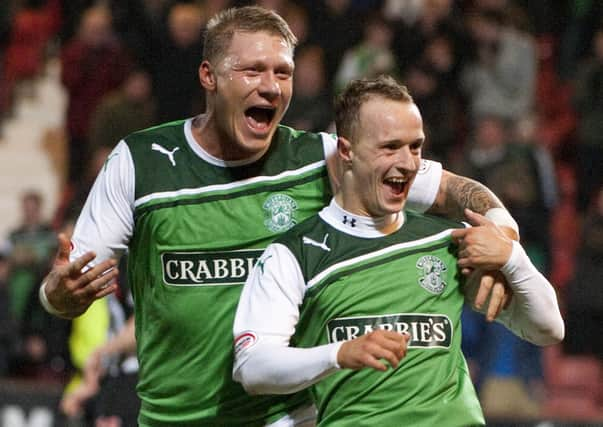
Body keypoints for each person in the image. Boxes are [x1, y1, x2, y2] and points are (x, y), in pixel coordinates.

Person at [40, 6, 519, 426]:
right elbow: (71, 286)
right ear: (209, 76)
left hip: (289, 416)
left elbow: (455, 190)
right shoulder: (140, 163)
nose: (270, 87)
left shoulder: (324, 159)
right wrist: (56, 295)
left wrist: (504, 234)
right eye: (252, 71)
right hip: (174, 415)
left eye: (283, 72)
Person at [232, 76, 564, 426]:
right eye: (390, 147)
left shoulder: (446, 240)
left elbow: (548, 329)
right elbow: (253, 367)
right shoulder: (294, 254)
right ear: (346, 152)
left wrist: (512, 258)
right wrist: (339, 353)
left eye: (415, 147)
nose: (408, 163)